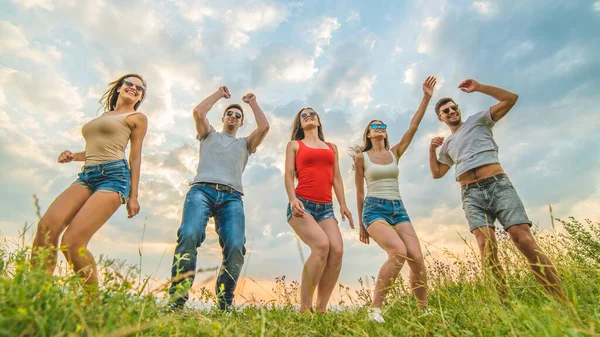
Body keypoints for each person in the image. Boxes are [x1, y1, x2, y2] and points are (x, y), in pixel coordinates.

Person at [429, 79, 566, 300]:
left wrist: (480, 88)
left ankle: (561, 300)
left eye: (454, 108)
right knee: (487, 247)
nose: (452, 111)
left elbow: (510, 99)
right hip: (471, 195)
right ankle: (504, 305)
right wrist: (431, 150)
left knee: (522, 238)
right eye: (446, 110)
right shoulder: (447, 146)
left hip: (498, 185)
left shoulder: (478, 120)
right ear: (440, 117)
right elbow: (437, 173)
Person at [32, 74, 148, 292]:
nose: (134, 88)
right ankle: (37, 292)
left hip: (115, 178)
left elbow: (135, 156)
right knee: (46, 228)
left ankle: (92, 304)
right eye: (129, 84)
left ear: (140, 96)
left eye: (139, 88)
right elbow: (96, 150)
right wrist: (73, 156)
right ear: (119, 88)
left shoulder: (136, 117)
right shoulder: (105, 116)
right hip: (87, 176)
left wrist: (134, 196)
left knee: (73, 242)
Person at [168, 86, 270, 311]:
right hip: (201, 191)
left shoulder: (244, 144)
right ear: (223, 118)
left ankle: (224, 304)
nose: (233, 116)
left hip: (232, 198)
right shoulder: (209, 134)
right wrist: (218, 95)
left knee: (235, 246)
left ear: (241, 123)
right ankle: (176, 302)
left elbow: (264, 127)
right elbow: (198, 112)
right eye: (230, 114)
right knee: (189, 234)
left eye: (238, 116)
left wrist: (252, 103)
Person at [353, 76, 436, 323]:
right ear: (368, 133)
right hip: (374, 209)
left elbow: (413, 127)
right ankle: (375, 309)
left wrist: (426, 97)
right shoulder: (361, 158)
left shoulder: (395, 152)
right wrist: (361, 224)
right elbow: (359, 192)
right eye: (374, 126)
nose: (379, 128)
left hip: (398, 209)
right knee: (398, 252)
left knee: (417, 258)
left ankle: (424, 310)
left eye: (382, 126)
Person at [284, 107, 354, 313]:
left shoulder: (332, 147)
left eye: (312, 114)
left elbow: (336, 178)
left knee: (337, 250)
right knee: (322, 245)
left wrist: (343, 204)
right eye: (303, 115)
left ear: (319, 121)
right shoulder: (294, 145)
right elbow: (288, 174)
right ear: (300, 124)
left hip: (326, 209)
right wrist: (292, 199)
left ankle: (321, 309)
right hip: (301, 204)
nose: (308, 116)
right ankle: (304, 311)